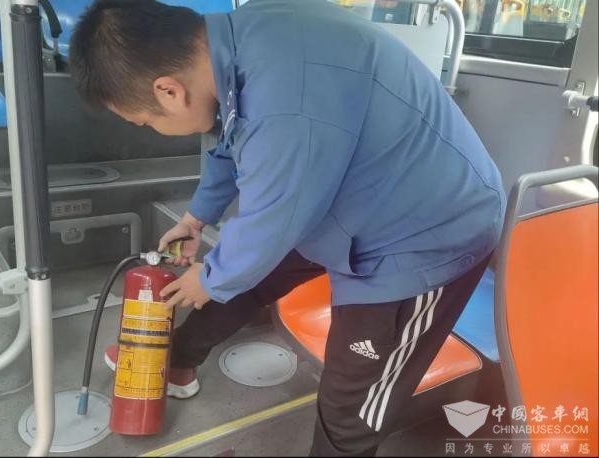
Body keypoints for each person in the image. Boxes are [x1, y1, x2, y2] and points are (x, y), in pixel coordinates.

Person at [69, 0, 506, 455]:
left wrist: (211, 276)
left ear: (168, 91)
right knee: (240, 274)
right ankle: (177, 361)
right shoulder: (241, 42)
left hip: (422, 235)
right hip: (348, 193)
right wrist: (196, 218)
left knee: (351, 400)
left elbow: (274, 216)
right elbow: (231, 141)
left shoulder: (284, 99)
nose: (151, 128)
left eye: (146, 122)